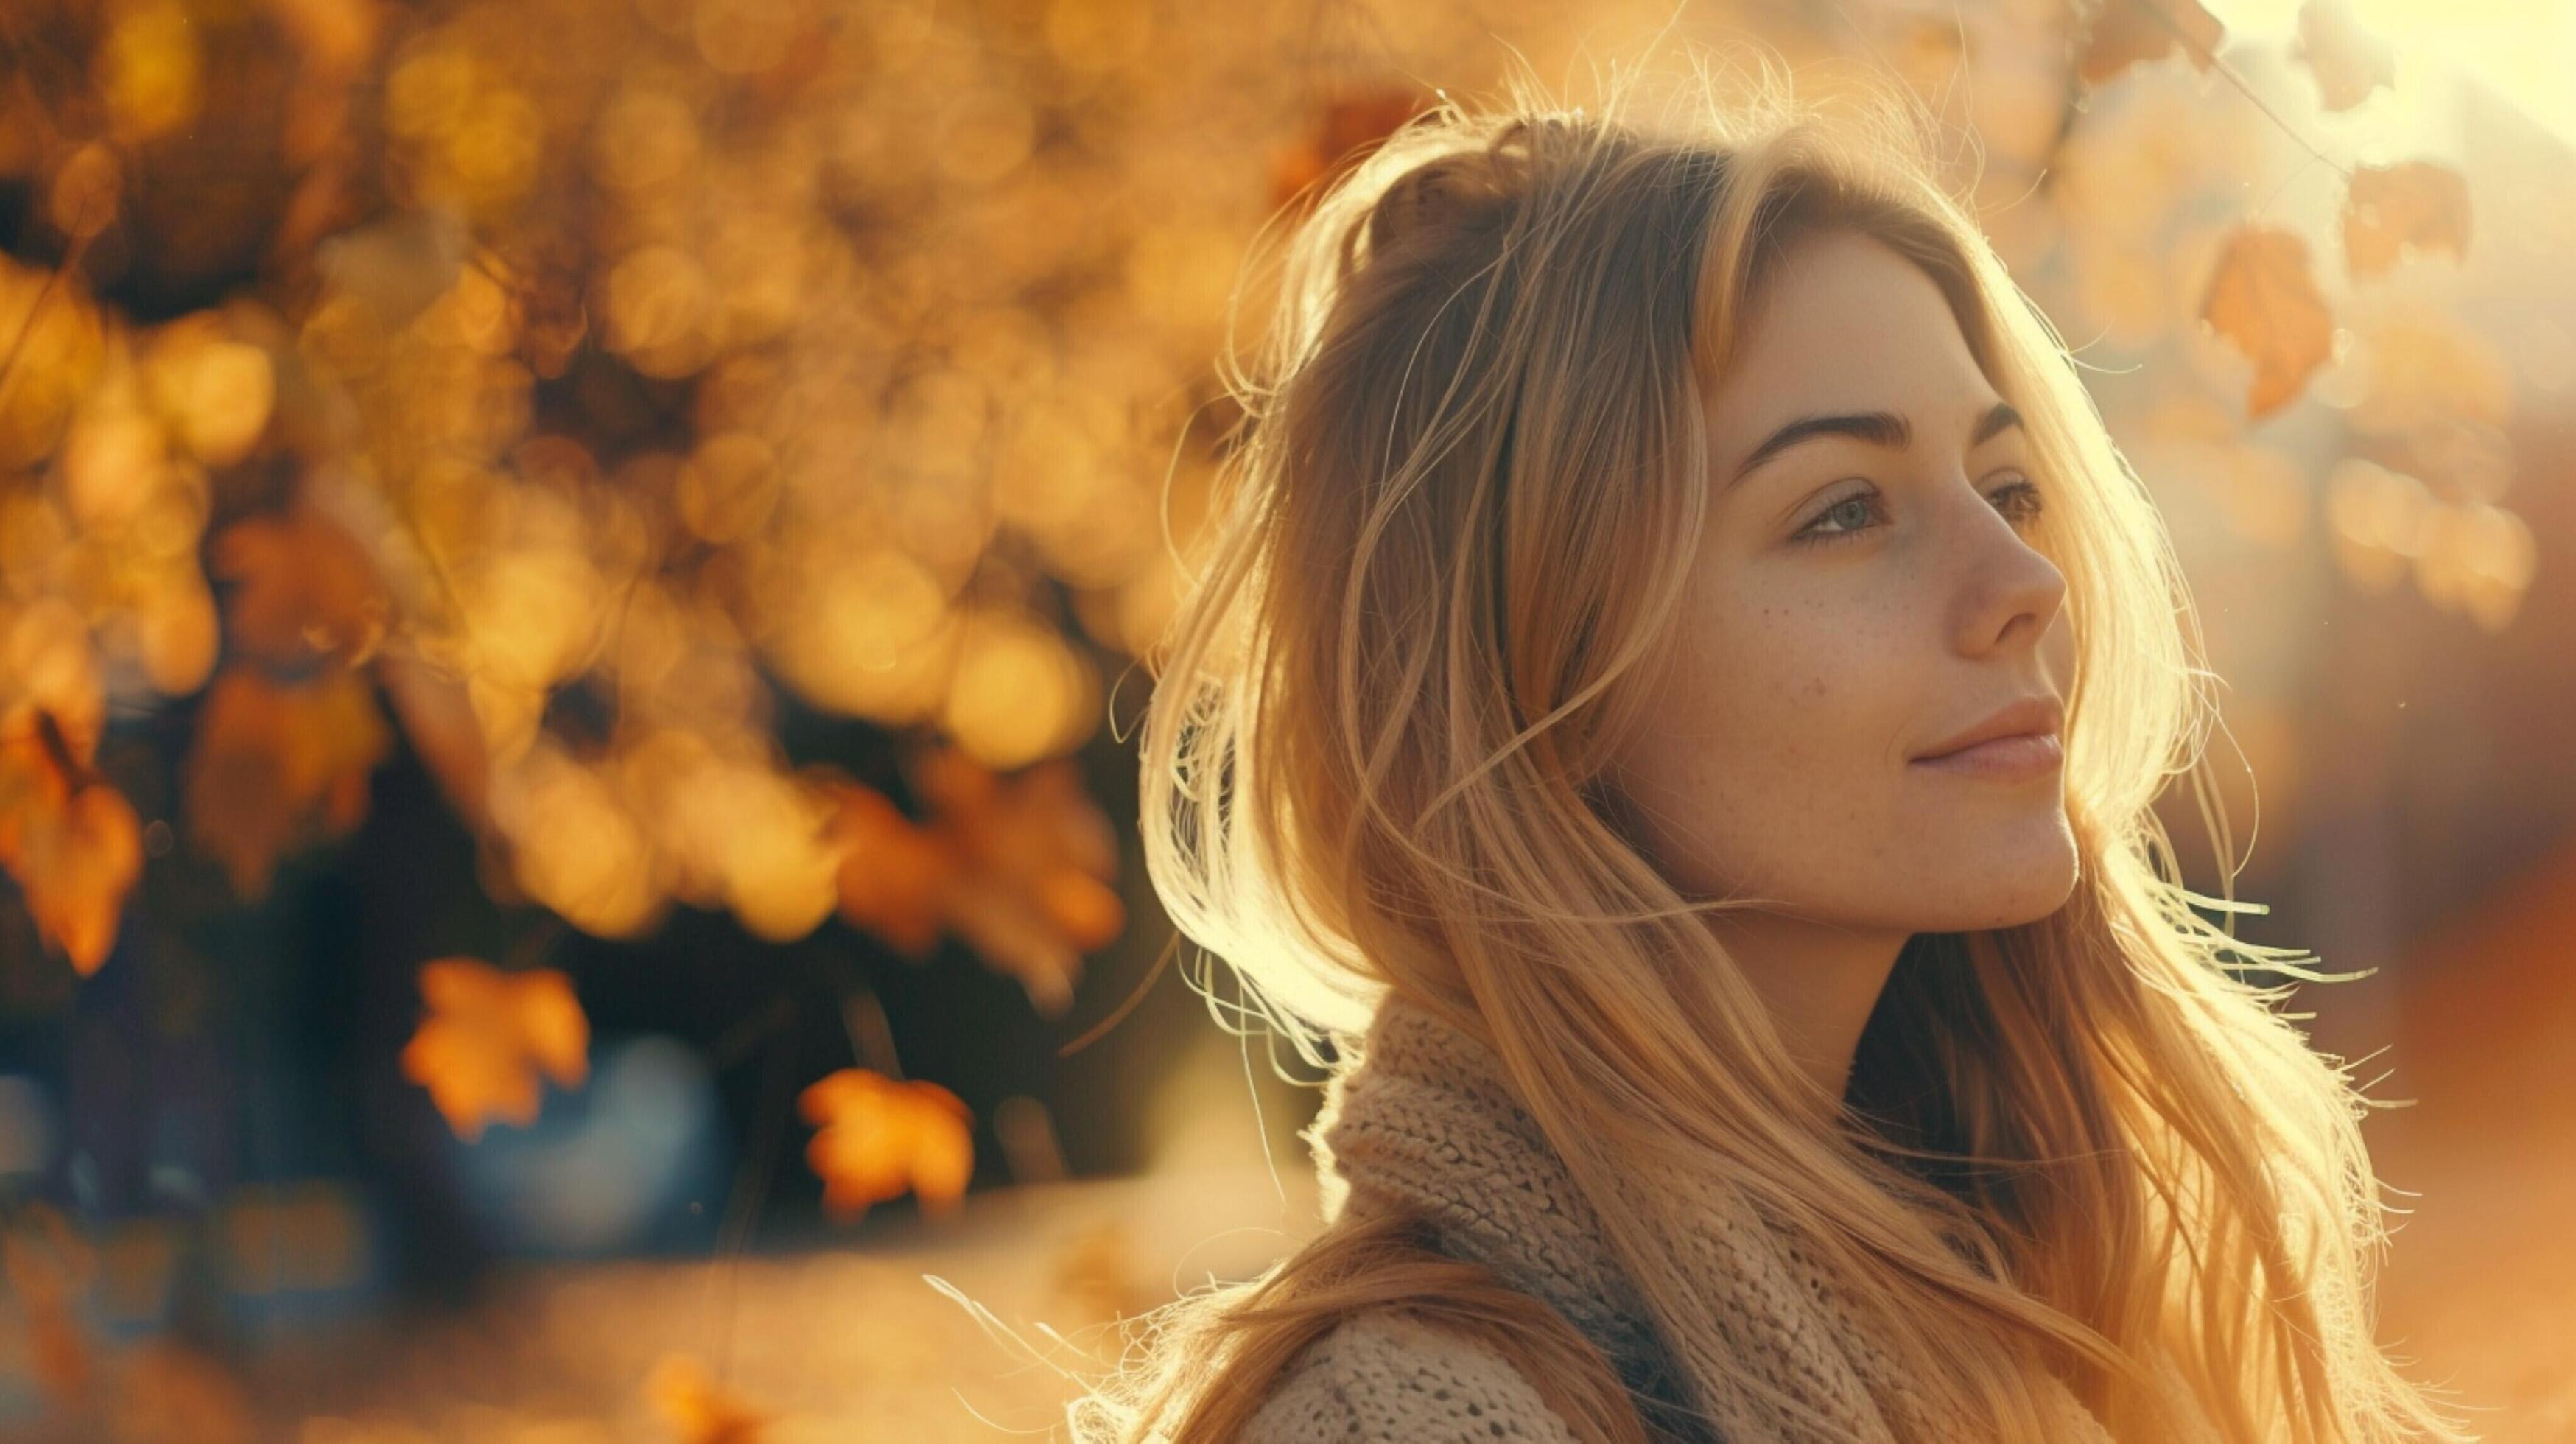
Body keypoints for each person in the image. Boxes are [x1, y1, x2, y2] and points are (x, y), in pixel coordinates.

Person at [1061, 52, 2476, 1444]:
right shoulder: (1412, 1423)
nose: (2022, 585)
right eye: (1843, 510)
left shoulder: (2047, 1328)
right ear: (1533, 678)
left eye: (2008, 485)